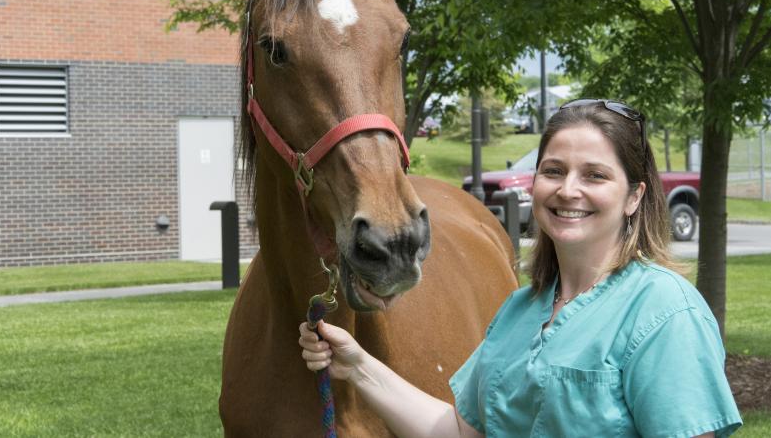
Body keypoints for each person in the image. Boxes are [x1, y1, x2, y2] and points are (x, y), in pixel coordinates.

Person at [299, 99, 742, 437]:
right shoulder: (519, 311)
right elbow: (457, 430)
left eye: (595, 176)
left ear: (634, 197)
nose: (569, 190)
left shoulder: (662, 311)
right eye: (553, 170)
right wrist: (357, 366)